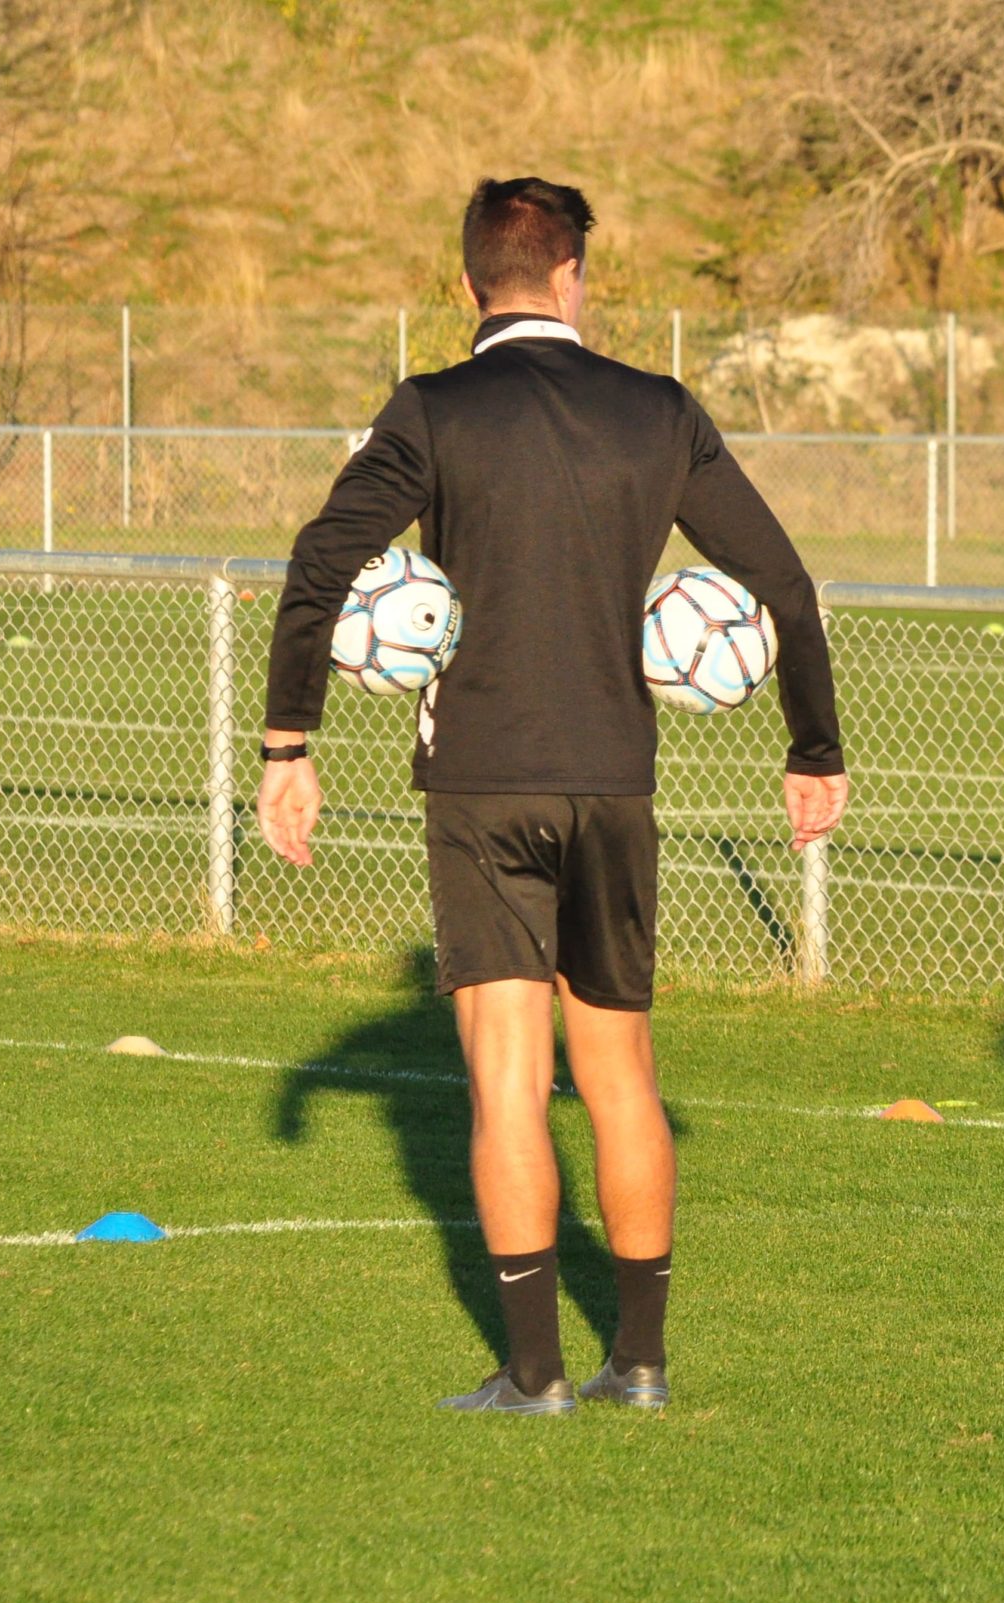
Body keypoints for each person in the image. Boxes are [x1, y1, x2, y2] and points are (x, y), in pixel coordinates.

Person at [256, 177, 847, 1415]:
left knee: (509, 1080)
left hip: (482, 781)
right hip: (614, 781)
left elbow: (321, 563)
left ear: (470, 284)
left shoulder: (432, 407)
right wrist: (812, 748)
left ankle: (534, 1373)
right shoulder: (658, 410)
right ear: (574, 276)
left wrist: (287, 742)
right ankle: (641, 1362)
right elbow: (785, 583)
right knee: (620, 1071)